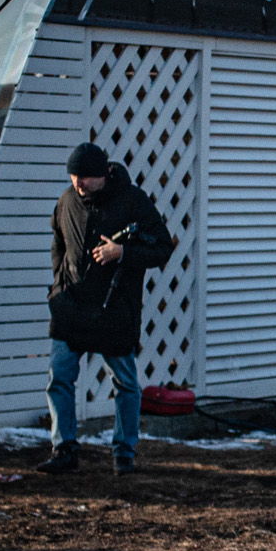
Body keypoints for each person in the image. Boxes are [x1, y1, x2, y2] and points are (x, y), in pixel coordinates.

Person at [41, 142, 176, 473]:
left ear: (103, 175)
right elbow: (58, 242)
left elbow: (162, 247)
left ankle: (124, 452)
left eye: (85, 177)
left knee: (126, 383)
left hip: (114, 310)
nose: (78, 183)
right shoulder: (67, 201)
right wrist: (58, 289)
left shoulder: (132, 200)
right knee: (59, 378)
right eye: (74, 176)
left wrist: (123, 254)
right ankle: (64, 450)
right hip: (71, 307)